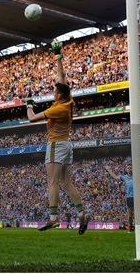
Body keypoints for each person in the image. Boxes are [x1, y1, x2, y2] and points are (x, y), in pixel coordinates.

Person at [26, 40, 88, 235]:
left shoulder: (57, 108)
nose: (53, 92)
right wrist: (58, 56)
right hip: (67, 145)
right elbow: (62, 77)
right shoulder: (69, 101)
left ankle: (53, 218)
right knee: (66, 183)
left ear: (59, 95)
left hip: (55, 145)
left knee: (52, 182)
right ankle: (82, 214)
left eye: (54, 91)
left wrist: (28, 105)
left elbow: (31, 119)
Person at [105, 163, 140, 231]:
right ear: (126, 169)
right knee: (130, 215)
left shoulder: (137, 175)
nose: (129, 169)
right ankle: (131, 227)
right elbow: (115, 177)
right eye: (128, 168)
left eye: (130, 168)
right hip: (129, 198)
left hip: (138, 197)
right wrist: (108, 170)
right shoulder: (124, 177)